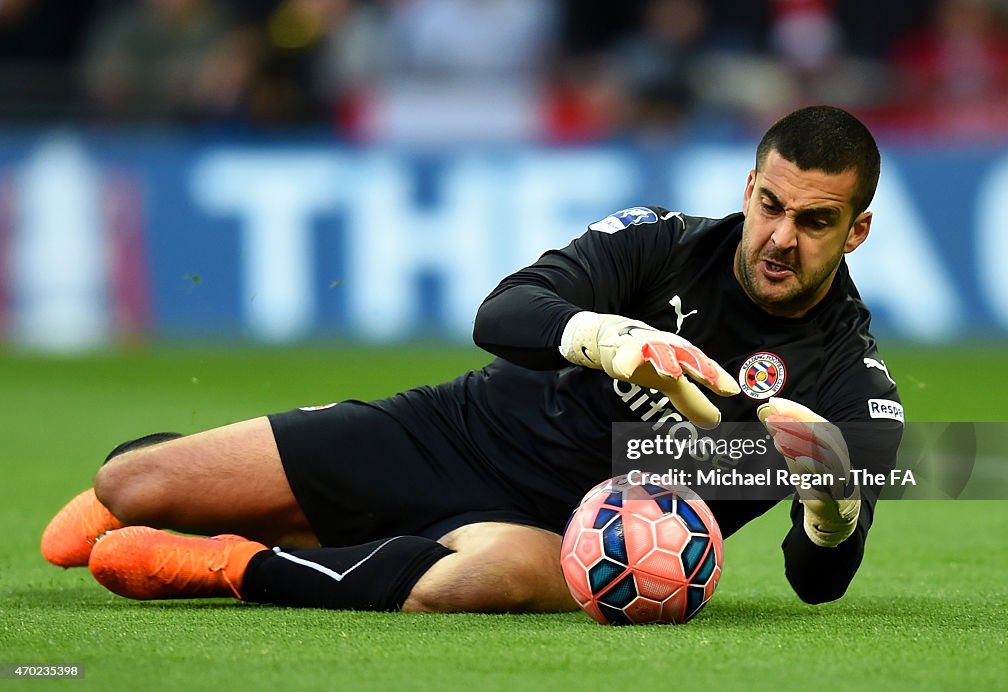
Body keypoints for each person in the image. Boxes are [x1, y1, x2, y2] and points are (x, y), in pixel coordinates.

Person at [41, 105, 902, 613]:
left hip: (579, 536)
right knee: (134, 487)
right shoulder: (659, 244)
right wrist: (615, 338)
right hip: (456, 431)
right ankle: (204, 493)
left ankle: (226, 563)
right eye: (770, 204)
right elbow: (503, 313)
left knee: (465, 582)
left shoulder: (849, 386)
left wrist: (829, 503)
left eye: (816, 221)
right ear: (746, 189)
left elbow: (818, 582)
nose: (782, 237)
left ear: (856, 230)